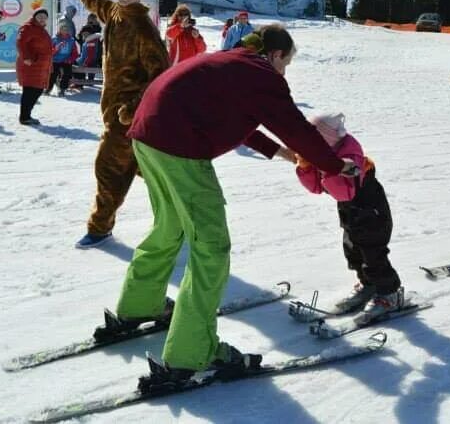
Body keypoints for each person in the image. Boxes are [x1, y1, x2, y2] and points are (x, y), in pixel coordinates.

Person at [107, 24, 357, 389]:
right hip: (180, 148)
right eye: (286, 62)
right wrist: (334, 165)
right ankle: (193, 354)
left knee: (170, 226)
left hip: (148, 137)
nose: (285, 71)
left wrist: (287, 156)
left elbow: (245, 124)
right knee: (211, 248)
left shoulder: (232, 62)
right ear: (275, 55)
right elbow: (296, 127)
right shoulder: (260, 74)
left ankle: (139, 304)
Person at [66, 0, 171, 249]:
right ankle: (181, 222)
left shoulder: (144, 29)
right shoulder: (113, 13)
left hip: (128, 119)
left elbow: (162, 78)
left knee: (108, 168)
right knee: (158, 177)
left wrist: (132, 109)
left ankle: (99, 228)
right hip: (121, 116)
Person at [295, 112, 403, 320]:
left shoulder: (350, 155)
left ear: (326, 139)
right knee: (353, 249)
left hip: (370, 211)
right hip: (351, 213)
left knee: (373, 252)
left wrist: (330, 168)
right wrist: (306, 166)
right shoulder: (323, 153)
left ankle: (390, 293)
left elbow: (345, 192)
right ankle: (368, 284)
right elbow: (317, 187)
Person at [16, 9, 53, 125]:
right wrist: (26, 57)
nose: (42, 18)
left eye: (44, 17)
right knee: (30, 90)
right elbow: (20, 42)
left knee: (37, 89)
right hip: (30, 64)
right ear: (35, 17)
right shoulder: (28, 27)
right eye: (40, 16)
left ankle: (26, 115)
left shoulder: (42, 30)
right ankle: (24, 117)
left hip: (40, 65)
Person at [48, 20, 80, 96]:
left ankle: (62, 89)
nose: (64, 31)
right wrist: (56, 48)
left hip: (66, 61)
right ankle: (48, 88)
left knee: (67, 74)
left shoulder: (71, 40)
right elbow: (49, 52)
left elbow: (75, 53)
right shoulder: (54, 39)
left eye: (66, 29)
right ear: (59, 29)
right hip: (55, 60)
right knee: (53, 74)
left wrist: (70, 59)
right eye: (63, 29)